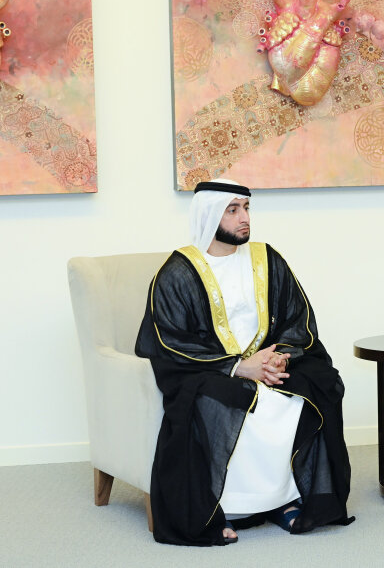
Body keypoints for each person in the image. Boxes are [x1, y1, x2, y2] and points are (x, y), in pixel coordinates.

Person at [135, 179, 354, 546]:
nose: (244, 218)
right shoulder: (177, 272)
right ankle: (223, 508)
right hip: (208, 369)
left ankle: (283, 500)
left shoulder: (267, 259)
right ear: (209, 215)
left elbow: (296, 319)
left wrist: (278, 358)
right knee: (226, 398)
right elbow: (170, 342)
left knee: (317, 382)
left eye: (247, 208)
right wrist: (238, 367)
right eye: (232, 210)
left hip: (268, 363)